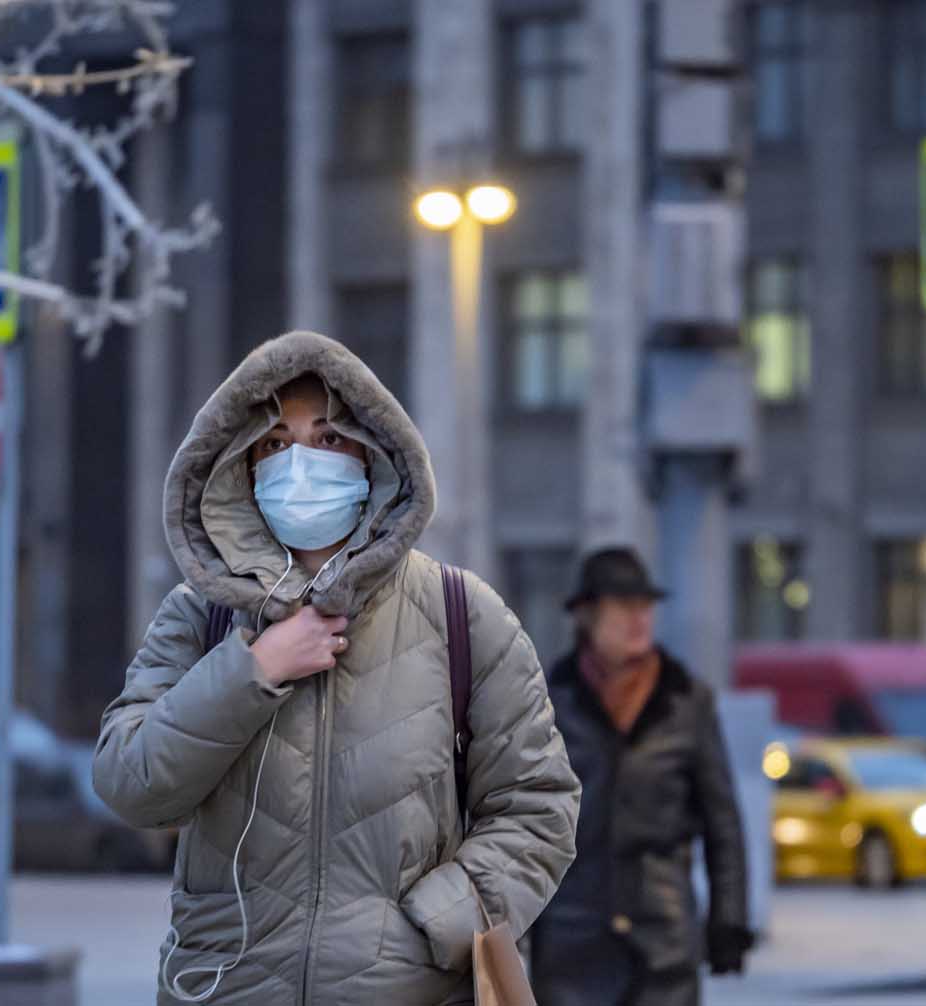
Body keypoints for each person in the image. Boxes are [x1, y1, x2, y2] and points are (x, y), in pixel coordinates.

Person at [93, 331, 580, 1005]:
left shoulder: (461, 614)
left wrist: (435, 926)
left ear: (373, 457)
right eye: (274, 444)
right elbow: (130, 783)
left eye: (326, 440)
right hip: (226, 988)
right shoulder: (198, 617)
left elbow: (539, 806)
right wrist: (251, 670)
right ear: (241, 467)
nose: (299, 464)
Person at [530, 547, 751, 1006]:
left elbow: (722, 822)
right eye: (623, 607)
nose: (639, 619)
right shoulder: (548, 702)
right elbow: (519, 821)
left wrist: (729, 917)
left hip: (663, 943)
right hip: (572, 941)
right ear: (587, 615)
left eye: (645, 607)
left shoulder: (686, 702)